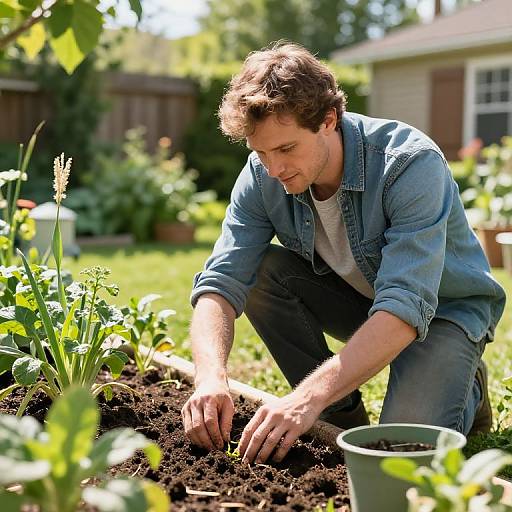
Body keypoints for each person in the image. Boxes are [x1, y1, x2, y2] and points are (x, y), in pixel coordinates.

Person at [181, 42, 506, 465]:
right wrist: (209, 378)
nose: (274, 168)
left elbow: (406, 305)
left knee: (400, 455)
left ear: (328, 120)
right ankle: (339, 417)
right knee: (260, 271)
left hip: (443, 311)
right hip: (363, 301)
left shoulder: (409, 164)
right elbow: (219, 283)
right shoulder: (262, 176)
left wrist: (301, 400)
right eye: (260, 152)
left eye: (286, 149)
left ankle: (464, 379)